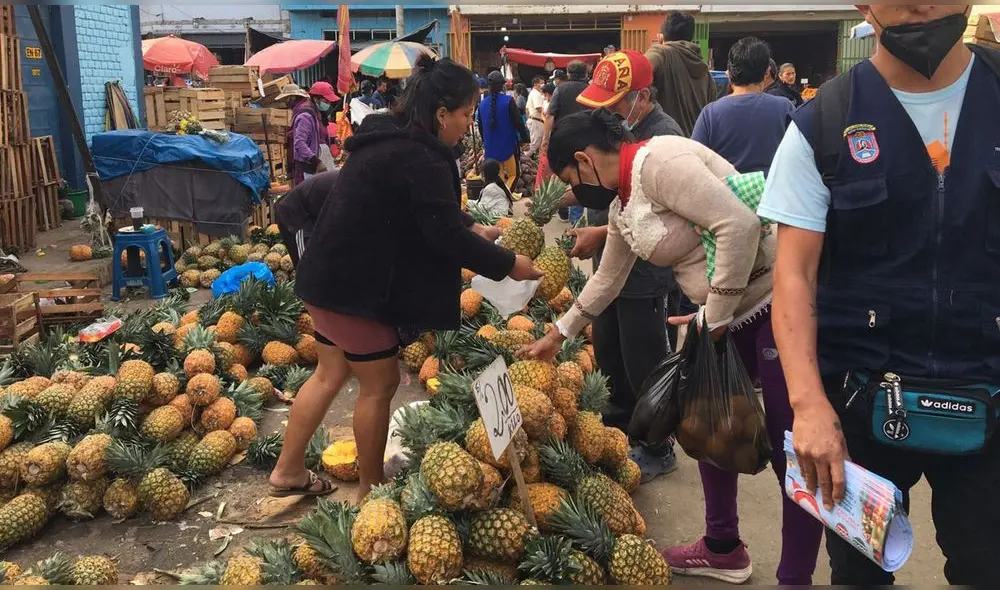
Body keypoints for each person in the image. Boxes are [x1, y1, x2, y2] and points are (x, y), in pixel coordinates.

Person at [520, 108, 823, 585]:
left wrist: (714, 319)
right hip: (716, 320)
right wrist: (559, 333)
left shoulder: (659, 163)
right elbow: (608, 278)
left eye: (571, 181)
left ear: (583, 159)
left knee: (792, 444)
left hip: (771, 309)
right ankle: (723, 546)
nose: (577, 194)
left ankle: (796, 575)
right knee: (705, 427)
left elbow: (739, 226)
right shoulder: (623, 205)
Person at [759, 4, 1000, 585]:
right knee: (859, 574)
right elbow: (793, 275)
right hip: (860, 407)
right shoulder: (822, 123)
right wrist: (809, 404)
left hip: (989, 394)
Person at [270, 55, 543, 502]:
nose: (467, 123)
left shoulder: (385, 140)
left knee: (329, 373)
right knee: (380, 386)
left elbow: (423, 209)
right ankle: (370, 491)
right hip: (355, 290)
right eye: (465, 113)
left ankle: (288, 470)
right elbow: (442, 233)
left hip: (325, 279)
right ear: (441, 113)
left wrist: (474, 229)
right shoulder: (423, 157)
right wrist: (509, 262)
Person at [566, 50, 683, 482]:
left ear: (642, 96)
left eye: (612, 104)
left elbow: (661, 219)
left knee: (647, 361)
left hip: (647, 275)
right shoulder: (624, 130)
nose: (605, 113)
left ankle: (657, 444)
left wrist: (600, 233)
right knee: (610, 349)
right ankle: (618, 427)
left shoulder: (663, 140)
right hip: (613, 269)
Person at [691, 37, 793, 176]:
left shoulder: (710, 113)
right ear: (767, 71)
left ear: (729, 72)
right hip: (773, 193)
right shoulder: (784, 108)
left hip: (724, 193)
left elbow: (695, 162)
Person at [646, 11, 716, 136]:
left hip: (665, 145)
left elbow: (636, 73)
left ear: (661, 37)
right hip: (695, 146)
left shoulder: (661, 53)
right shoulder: (706, 72)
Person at [546, 61, 590, 220]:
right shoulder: (590, 89)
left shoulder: (560, 89)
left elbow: (550, 116)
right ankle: (576, 218)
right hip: (586, 141)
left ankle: (563, 210)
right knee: (580, 177)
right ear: (585, 74)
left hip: (562, 140)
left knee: (563, 175)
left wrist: (546, 140)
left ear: (568, 73)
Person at [478, 70, 530, 189]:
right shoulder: (508, 101)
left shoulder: (482, 104)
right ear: (502, 85)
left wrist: (485, 142)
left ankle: (500, 203)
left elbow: (481, 128)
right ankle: (505, 199)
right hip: (508, 148)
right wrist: (525, 138)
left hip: (490, 148)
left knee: (498, 177)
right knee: (514, 175)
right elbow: (518, 122)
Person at [277, 83, 326, 187]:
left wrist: (316, 161)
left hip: (306, 167)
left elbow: (299, 143)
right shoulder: (307, 111)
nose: (285, 102)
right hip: (308, 165)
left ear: (292, 97)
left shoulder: (304, 115)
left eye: (286, 99)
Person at [525, 76, 547, 155]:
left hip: (536, 120)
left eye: (543, 83)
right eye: (541, 83)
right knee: (535, 144)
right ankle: (523, 157)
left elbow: (527, 109)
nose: (543, 85)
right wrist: (547, 116)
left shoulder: (535, 93)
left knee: (540, 144)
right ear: (535, 84)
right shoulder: (535, 94)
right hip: (536, 121)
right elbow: (538, 108)